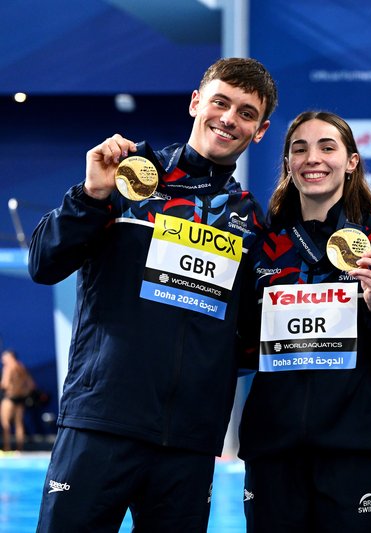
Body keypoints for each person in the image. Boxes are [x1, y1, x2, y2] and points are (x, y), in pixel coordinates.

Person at [28, 57, 277, 531]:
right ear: (195, 103)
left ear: (260, 131)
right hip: (102, 422)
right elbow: (44, 264)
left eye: (246, 113)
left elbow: (248, 337)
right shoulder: (127, 179)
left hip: (189, 442)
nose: (229, 118)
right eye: (220, 102)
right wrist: (90, 195)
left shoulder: (249, 222)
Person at [236, 111, 371, 532]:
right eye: (299, 149)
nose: (312, 158)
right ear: (287, 164)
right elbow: (240, 342)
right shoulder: (264, 245)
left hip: (355, 451)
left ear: (352, 161)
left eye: (327, 147)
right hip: (273, 448)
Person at [1, 349, 36, 451]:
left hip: (10, 397)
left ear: (10, 357)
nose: (2, 359)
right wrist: (24, 393)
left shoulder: (8, 368)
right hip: (20, 398)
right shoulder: (21, 367)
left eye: (4, 357)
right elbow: (31, 385)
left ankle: (6, 448)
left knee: (5, 423)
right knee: (19, 424)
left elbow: (5, 384)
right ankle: (19, 449)